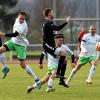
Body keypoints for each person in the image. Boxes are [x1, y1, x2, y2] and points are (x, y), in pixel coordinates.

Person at [0, 11, 41, 88]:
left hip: (20, 45)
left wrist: (3, 34)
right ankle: (5, 67)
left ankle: (36, 79)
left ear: (25, 19)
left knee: (23, 65)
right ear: (18, 17)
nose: (21, 20)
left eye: (23, 19)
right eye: (20, 18)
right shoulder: (16, 19)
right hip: (12, 42)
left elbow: (15, 34)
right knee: (0, 50)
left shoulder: (23, 26)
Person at [41, 8, 71, 78]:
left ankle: (53, 77)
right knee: (63, 54)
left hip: (51, 45)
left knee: (62, 57)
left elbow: (54, 33)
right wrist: (66, 22)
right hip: (47, 44)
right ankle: (57, 73)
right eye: (52, 12)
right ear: (49, 14)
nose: (53, 13)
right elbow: (57, 28)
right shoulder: (47, 23)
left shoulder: (50, 23)